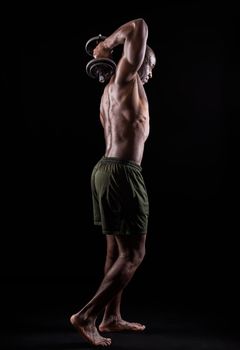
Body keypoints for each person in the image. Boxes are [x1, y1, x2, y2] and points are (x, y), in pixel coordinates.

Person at [70, 18, 156, 347]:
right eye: (150, 63)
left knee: (114, 251)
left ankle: (111, 317)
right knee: (134, 254)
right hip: (122, 172)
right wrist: (108, 45)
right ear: (136, 59)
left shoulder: (109, 93)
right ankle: (87, 315)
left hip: (104, 169)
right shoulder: (126, 78)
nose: (151, 70)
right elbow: (138, 26)